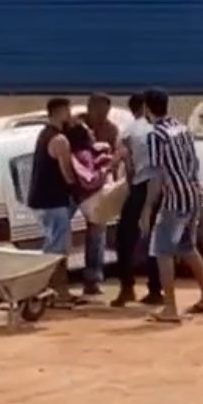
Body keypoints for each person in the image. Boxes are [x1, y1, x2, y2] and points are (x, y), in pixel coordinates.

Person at [140, 88, 203, 324]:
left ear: (146, 108)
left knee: (163, 251)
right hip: (192, 195)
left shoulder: (156, 136)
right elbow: (193, 163)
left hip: (174, 200)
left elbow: (157, 175)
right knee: (187, 248)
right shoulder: (182, 129)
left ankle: (170, 307)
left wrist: (146, 208)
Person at [112, 92, 163, 309]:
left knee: (124, 238)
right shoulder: (164, 128)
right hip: (165, 186)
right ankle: (155, 289)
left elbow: (123, 159)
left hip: (142, 186)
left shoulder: (131, 129)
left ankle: (127, 287)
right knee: (157, 239)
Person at [29, 97, 80, 308]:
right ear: (60, 112)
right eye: (68, 111)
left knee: (57, 247)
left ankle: (61, 292)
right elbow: (67, 174)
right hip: (53, 201)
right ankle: (48, 292)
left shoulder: (44, 135)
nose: (70, 115)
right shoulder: (59, 140)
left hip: (44, 201)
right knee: (55, 250)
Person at [75, 93, 118, 296]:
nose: (102, 115)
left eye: (105, 112)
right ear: (90, 107)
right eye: (99, 111)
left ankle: (92, 279)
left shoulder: (111, 130)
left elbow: (114, 160)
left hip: (96, 186)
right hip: (74, 186)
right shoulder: (76, 125)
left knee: (97, 233)